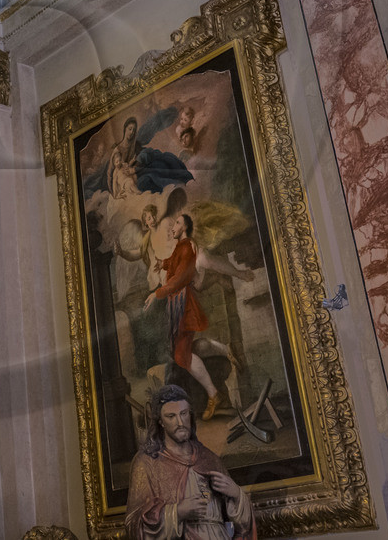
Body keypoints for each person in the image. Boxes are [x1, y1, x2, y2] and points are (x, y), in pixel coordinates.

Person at [144, 214, 253, 420]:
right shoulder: (182, 246)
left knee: (182, 355)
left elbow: (181, 277)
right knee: (187, 350)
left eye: (177, 223)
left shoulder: (187, 247)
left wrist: (156, 293)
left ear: (185, 226)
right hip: (178, 303)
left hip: (182, 305)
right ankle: (224, 349)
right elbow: (175, 263)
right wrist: (162, 263)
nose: (172, 227)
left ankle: (214, 395)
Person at [126, 384, 255, 540]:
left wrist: (236, 494)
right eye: (171, 416)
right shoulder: (147, 462)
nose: (180, 422)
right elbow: (134, 525)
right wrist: (177, 512)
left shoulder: (209, 458)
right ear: (160, 421)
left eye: (184, 413)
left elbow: (242, 525)